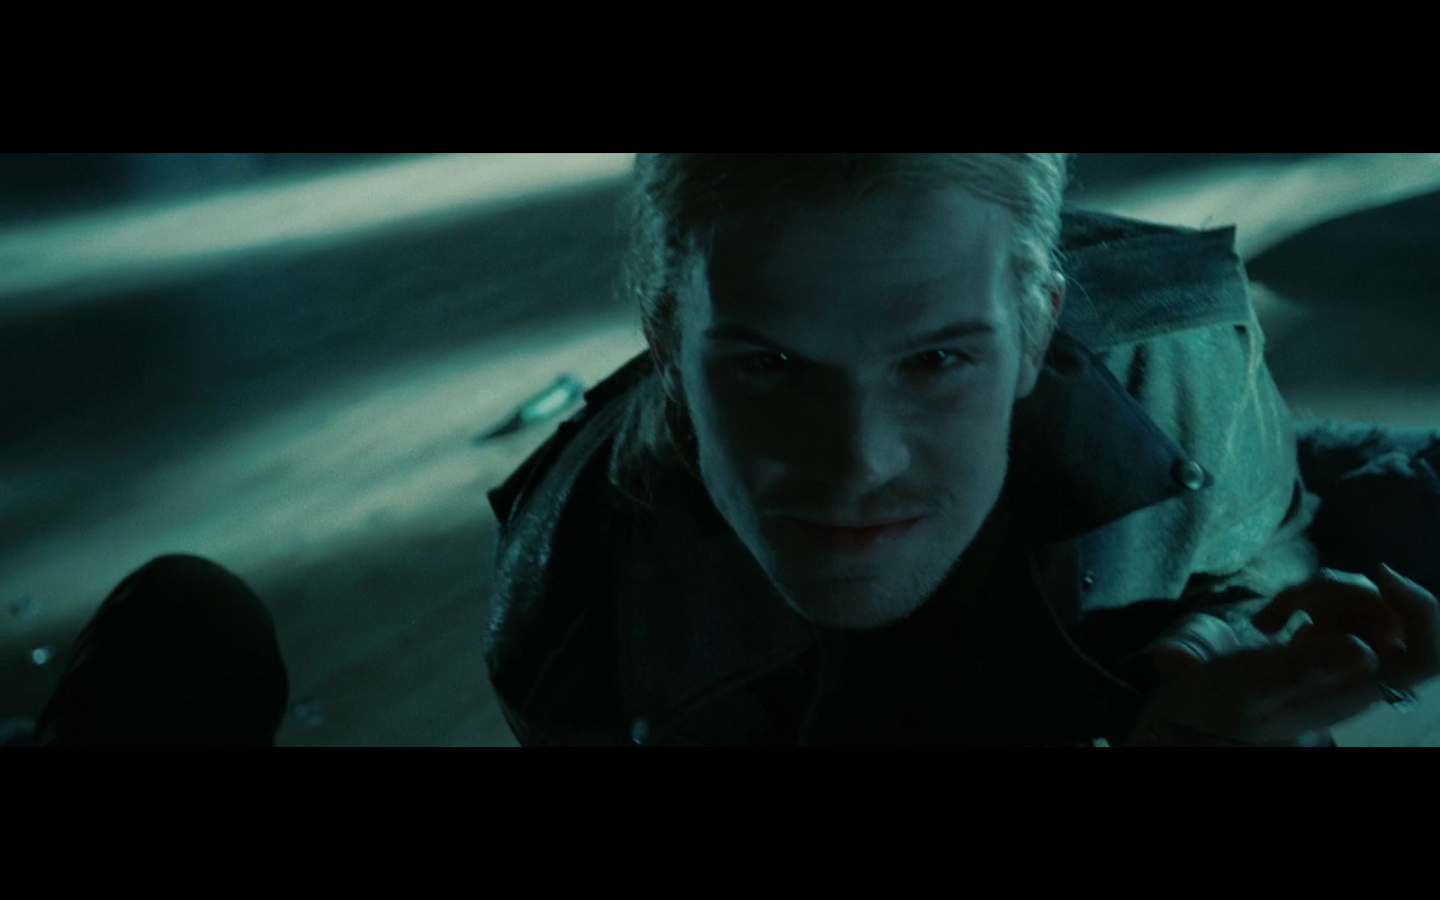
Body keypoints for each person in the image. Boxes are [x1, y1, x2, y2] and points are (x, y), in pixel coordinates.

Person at [485, 153, 1440, 746]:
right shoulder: (581, 618)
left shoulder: (1181, 359)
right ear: (666, 348)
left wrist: (1205, 655)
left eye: (936, 359)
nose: (858, 463)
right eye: (772, 365)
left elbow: (1252, 553)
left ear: (1036, 328)